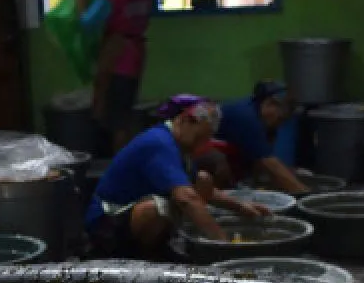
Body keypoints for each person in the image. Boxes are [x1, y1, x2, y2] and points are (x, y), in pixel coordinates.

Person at [85, 95, 273, 260]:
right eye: (199, 138)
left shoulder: (180, 147)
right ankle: (141, 256)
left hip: (128, 214)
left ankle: (164, 245)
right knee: (156, 209)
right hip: (107, 225)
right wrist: (223, 244)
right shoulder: (159, 143)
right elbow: (186, 198)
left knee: (202, 179)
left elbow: (199, 187)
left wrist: (240, 206)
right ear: (185, 120)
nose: (201, 145)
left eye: (206, 139)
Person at [81, 0, 151, 154]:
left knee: (114, 119)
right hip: (137, 54)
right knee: (125, 114)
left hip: (117, 56)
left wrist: (81, 0)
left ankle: (118, 163)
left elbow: (88, 22)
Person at [194, 81, 310, 194]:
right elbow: (269, 162)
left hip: (229, 152)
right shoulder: (247, 117)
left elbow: (262, 155)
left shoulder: (264, 117)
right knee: (218, 162)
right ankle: (219, 195)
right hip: (198, 153)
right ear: (269, 104)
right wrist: (302, 192)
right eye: (280, 119)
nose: (279, 124)